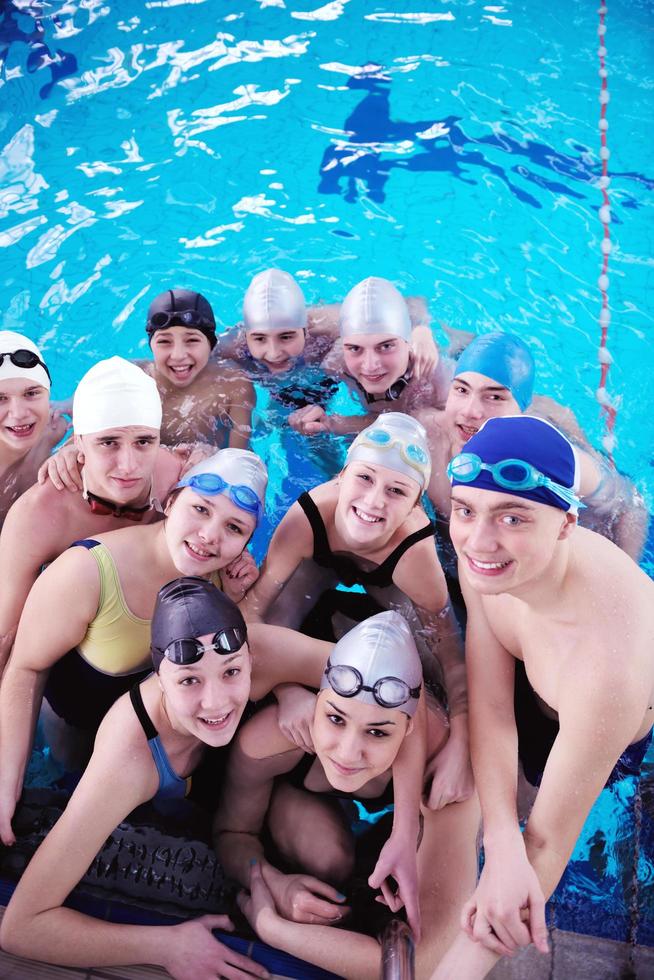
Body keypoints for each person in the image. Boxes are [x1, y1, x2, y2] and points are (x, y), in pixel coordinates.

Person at [430, 415, 654, 980]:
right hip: (540, 683)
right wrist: (502, 840)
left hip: (607, 721)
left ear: (566, 524)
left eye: (513, 517)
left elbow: (549, 844)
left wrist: (513, 861)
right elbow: (489, 702)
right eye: (466, 510)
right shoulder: (488, 565)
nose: (479, 540)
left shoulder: (607, 670)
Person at [0, 577, 271, 980]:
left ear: (251, 659)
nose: (216, 701)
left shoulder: (268, 652)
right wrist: (165, 945)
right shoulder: (127, 761)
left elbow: (392, 685)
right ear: (159, 679)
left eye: (232, 672)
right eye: (189, 680)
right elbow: (22, 927)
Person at [0, 446, 267, 845]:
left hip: (151, 747)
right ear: (172, 500)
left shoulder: (222, 580)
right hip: (74, 727)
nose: (210, 537)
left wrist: (238, 602)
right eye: (200, 509)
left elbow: (238, 670)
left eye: (235, 528)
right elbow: (25, 669)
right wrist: (6, 783)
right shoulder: (87, 569)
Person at [216, 611, 480, 980]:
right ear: (318, 699)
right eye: (336, 719)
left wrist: (274, 930)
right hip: (299, 792)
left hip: (422, 786)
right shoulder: (270, 742)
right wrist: (272, 880)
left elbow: (431, 961)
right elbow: (232, 835)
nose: (347, 753)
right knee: (328, 862)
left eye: (377, 733)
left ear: (408, 730)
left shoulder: (449, 773)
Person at [241, 411, 471, 810]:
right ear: (341, 476)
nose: (373, 501)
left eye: (397, 491)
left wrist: (460, 745)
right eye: (364, 478)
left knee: (430, 664)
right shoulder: (309, 517)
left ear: (416, 504)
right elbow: (253, 613)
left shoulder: (415, 554)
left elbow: (454, 659)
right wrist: (288, 691)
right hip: (320, 561)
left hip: (390, 576)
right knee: (278, 620)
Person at [0, 356, 188, 677]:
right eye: (108, 443)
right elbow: (8, 639)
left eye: (144, 441)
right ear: (79, 442)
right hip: (76, 672)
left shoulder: (179, 476)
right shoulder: (37, 516)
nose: (128, 466)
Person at [415, 332, 648, 560]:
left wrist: (626, 568)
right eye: (462, 389)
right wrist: (421, 331)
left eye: (495, 397)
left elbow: (632, 505)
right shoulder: (425, 434)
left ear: (521, 409)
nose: (469, 412)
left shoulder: (551, 458)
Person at [213, 268, 440, 393]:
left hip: (323, 379)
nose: (273, 353)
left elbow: (407, 304)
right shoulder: (233, 347)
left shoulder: (328, 325)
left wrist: (421, 330)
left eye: (286, 336)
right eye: (259, 338)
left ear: (306, 328)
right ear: (247, 335)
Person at [288, 276, 453, 436]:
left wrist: (423, 328)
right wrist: (323, 422)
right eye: (355, 348)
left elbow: (412, 427)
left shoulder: (433, 378)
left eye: (386, 346)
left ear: (407, 342)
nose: (370, 365)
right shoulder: (335, 364)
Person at [136, 287, 255, 448]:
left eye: (192, 340)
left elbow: (239, 456)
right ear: (151, 346)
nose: (178, 355)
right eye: (164, 342)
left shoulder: (233, 384)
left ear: (211, 345)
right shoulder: (132, 379)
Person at [0, 330, 69, 526]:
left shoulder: (54, 426)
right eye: (0, 398)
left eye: (31, 393)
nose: (19, 413)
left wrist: (74, 447)